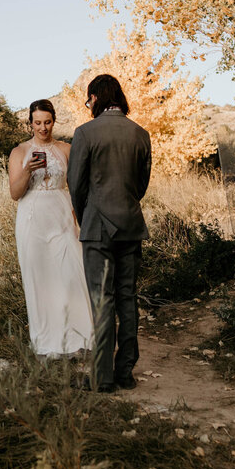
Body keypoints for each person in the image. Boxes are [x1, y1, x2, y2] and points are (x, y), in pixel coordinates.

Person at [68, 74, 152, 393]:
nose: (88, 105)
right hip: (130, 224)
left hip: (97, 228)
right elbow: (141, 185)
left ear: (95, 97)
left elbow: (75, 184)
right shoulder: (140, 134)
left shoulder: (86, 133)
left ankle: (102, 379)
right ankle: (125, 372)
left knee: (102, 301)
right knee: (127, 300)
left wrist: (86, 213)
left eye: (88, 100)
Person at [9, 99, 93, 358]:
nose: (43, 128)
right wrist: (27, 170)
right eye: (37, 123)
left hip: (61, 214)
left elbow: (79, 185)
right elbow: (15, 193)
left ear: (54, 121)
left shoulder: (67, 149)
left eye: (47, 122)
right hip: (32, 217)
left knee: (71, 275)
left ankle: (79, 340)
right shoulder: (19, 152)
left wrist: (79, 218)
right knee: (40, 279)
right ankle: (48, 343)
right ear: (30, 123)